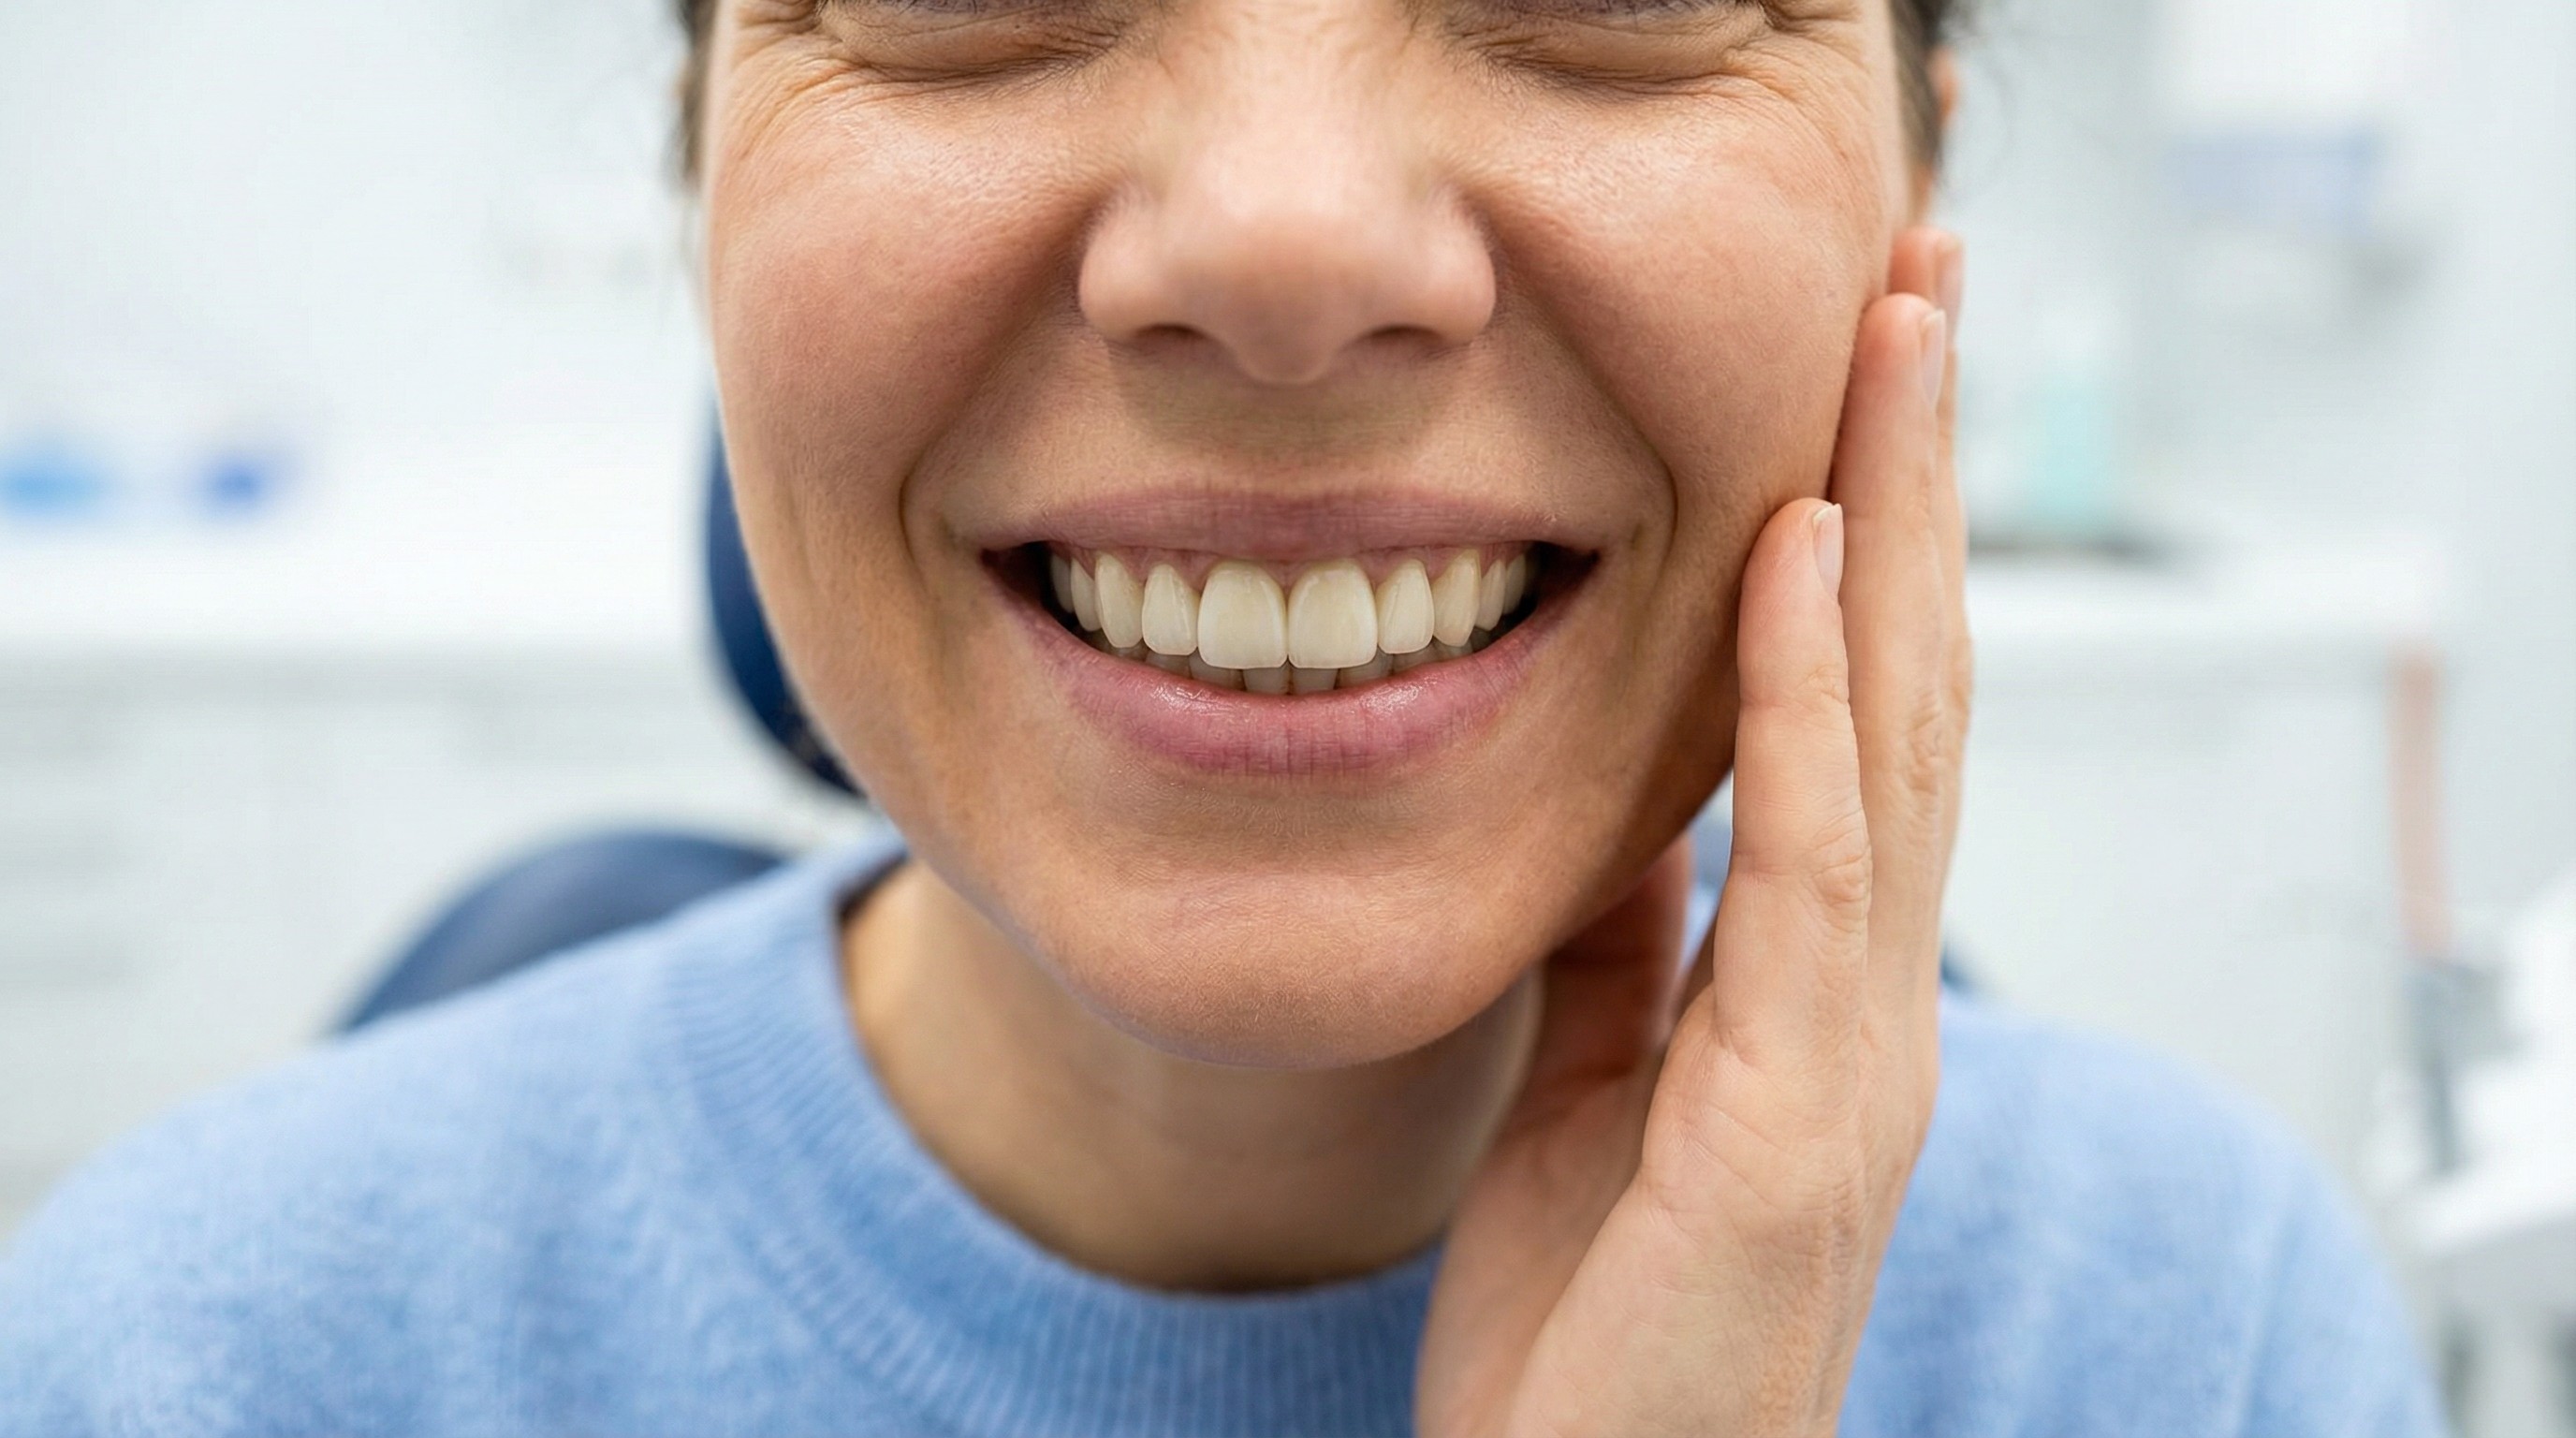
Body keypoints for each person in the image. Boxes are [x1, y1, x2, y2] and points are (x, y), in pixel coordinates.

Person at [0, 0, 2443, 1432]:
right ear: (701, 175)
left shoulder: (2201, 1342)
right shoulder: (190, 1366)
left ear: (1915, 178)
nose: (1286, 245)